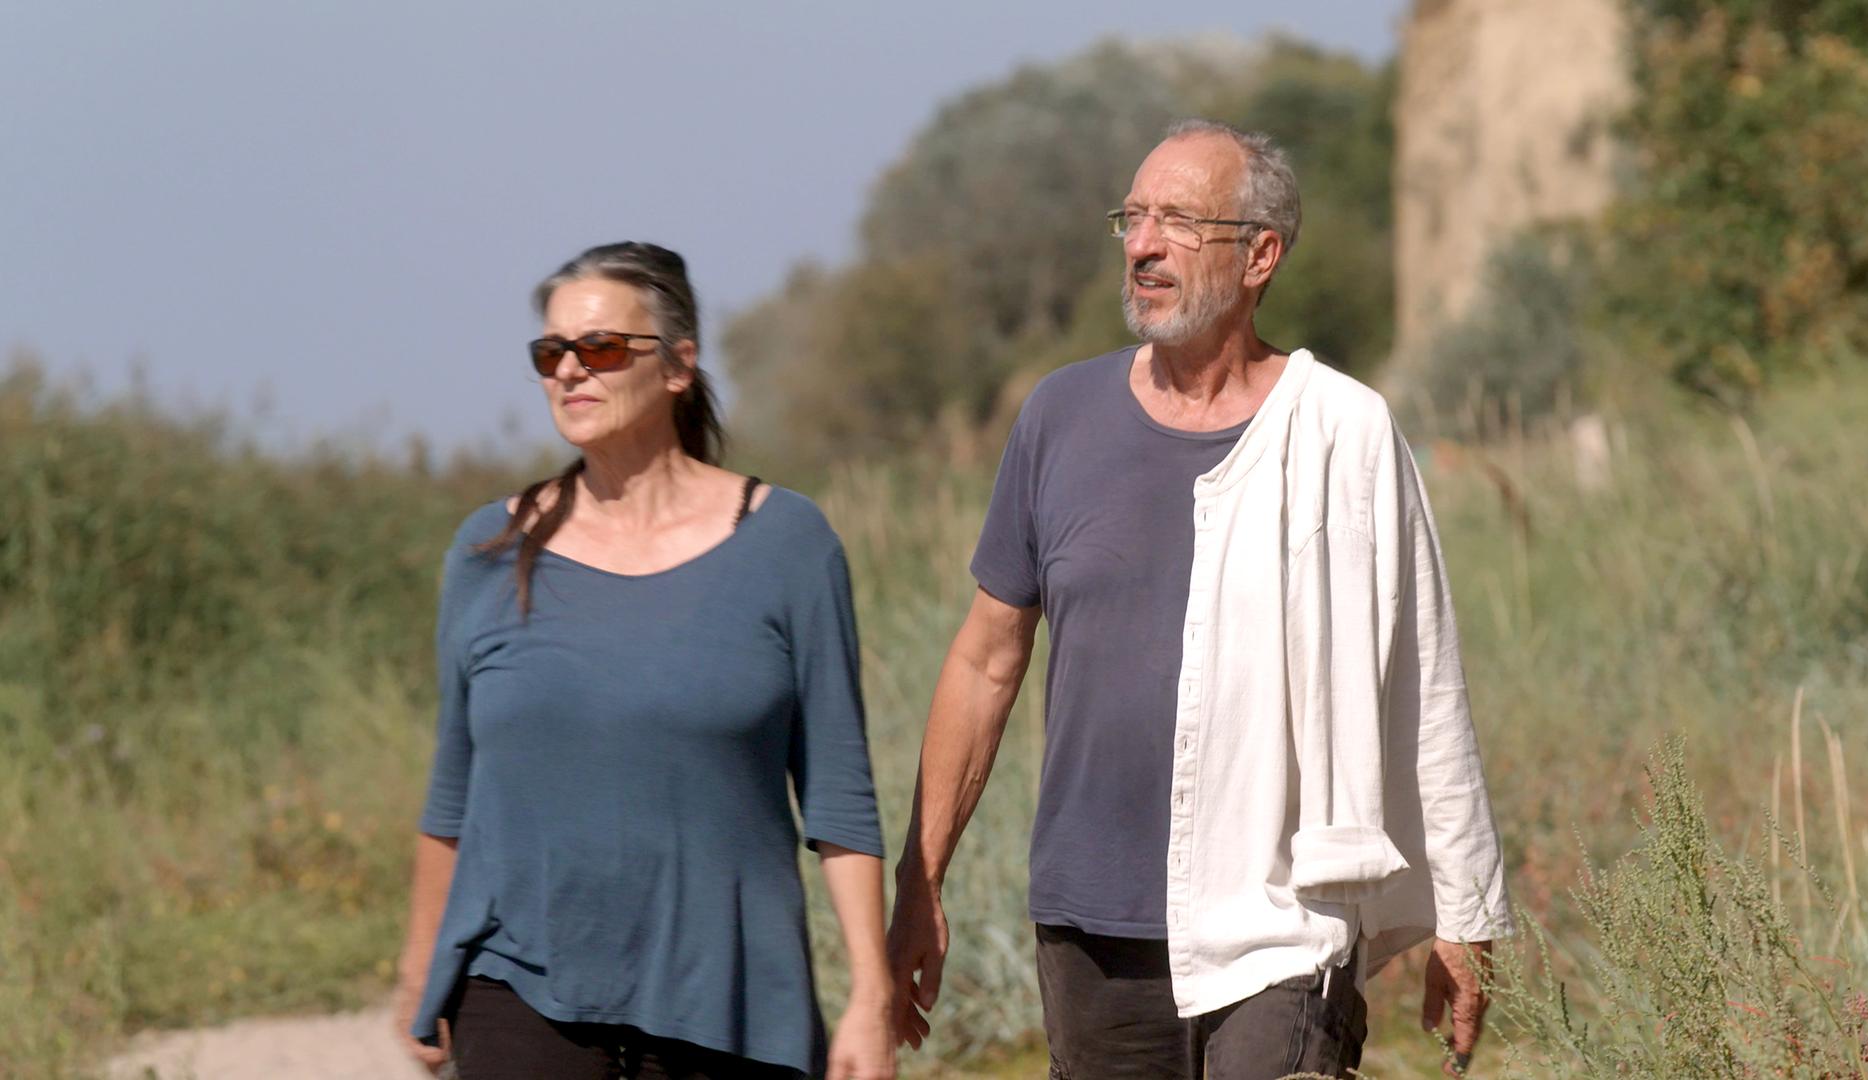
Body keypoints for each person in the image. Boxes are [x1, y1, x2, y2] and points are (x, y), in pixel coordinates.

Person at [885, 121, 1513, 1079]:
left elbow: (1421, 673)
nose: (1142, 246)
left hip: (1284, 916)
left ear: (1260, 254)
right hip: (1089, 926)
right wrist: (920, 879)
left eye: (1178, 221)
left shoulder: (1343, 431)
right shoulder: (1060, 417)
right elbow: (985, 658)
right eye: (1132, 219)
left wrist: (1465, 910)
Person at [390, 242, 895, 1080]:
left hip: (729, 1003)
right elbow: (454, 791)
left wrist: (870, 1001)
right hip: (515, 990)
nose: (571, 372)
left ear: (678, 367)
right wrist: (419, 971)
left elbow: (840, 801)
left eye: (602, 349)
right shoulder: (488, 550)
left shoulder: (787, 546)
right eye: (551, 354)